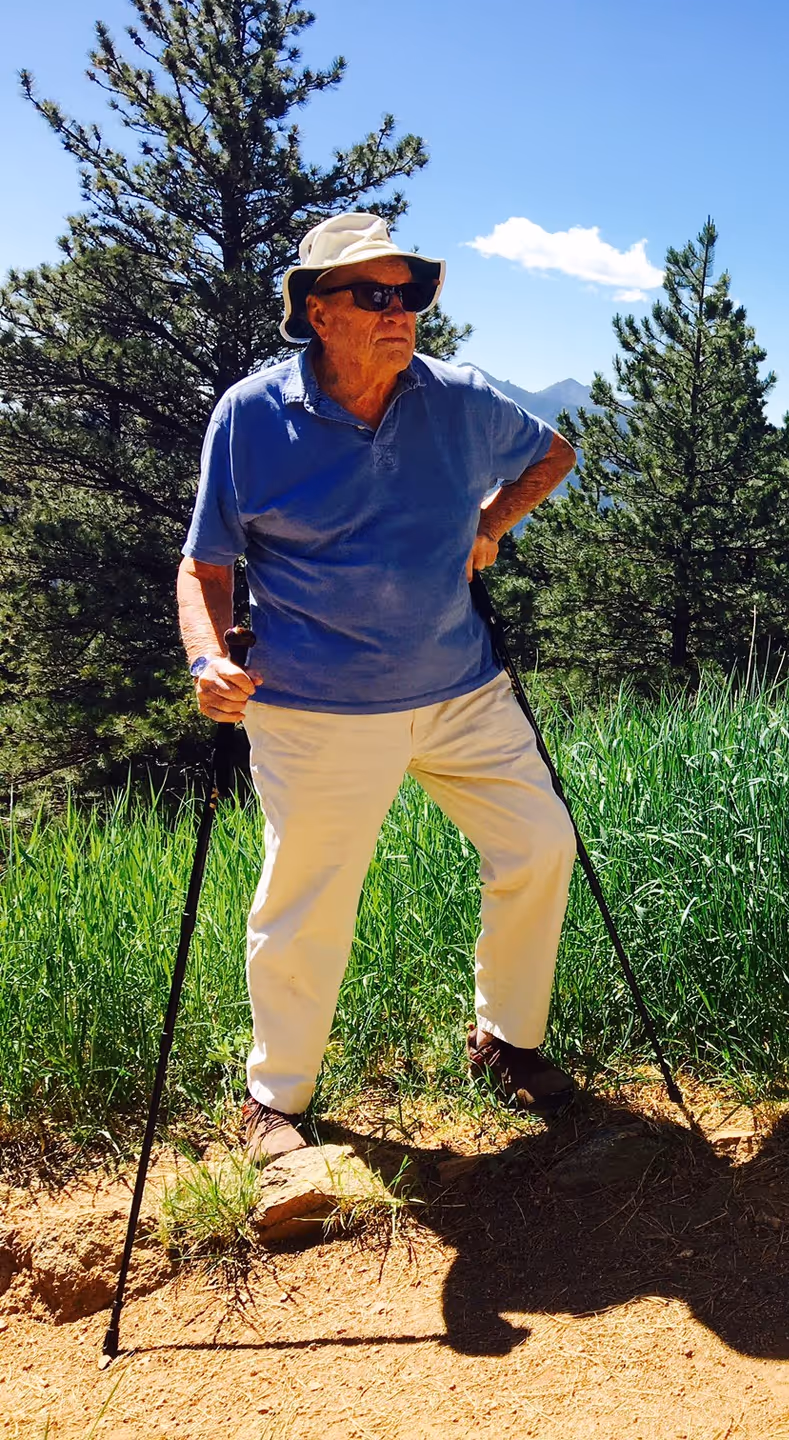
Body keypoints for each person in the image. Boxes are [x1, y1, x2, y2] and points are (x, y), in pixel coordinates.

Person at [180, 212, 582, 1162]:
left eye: (412, 293)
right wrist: (208, 660)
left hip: (460, 689)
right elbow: (206, 564)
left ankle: (505, 1040)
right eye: (374, 294)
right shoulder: (251, 415)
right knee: (309, 897)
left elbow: (553, 453)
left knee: (540, 846)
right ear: (318, 313)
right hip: (313, 705)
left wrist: (493, 521)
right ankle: (275, 1100)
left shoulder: (461, 400)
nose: (399, 311)